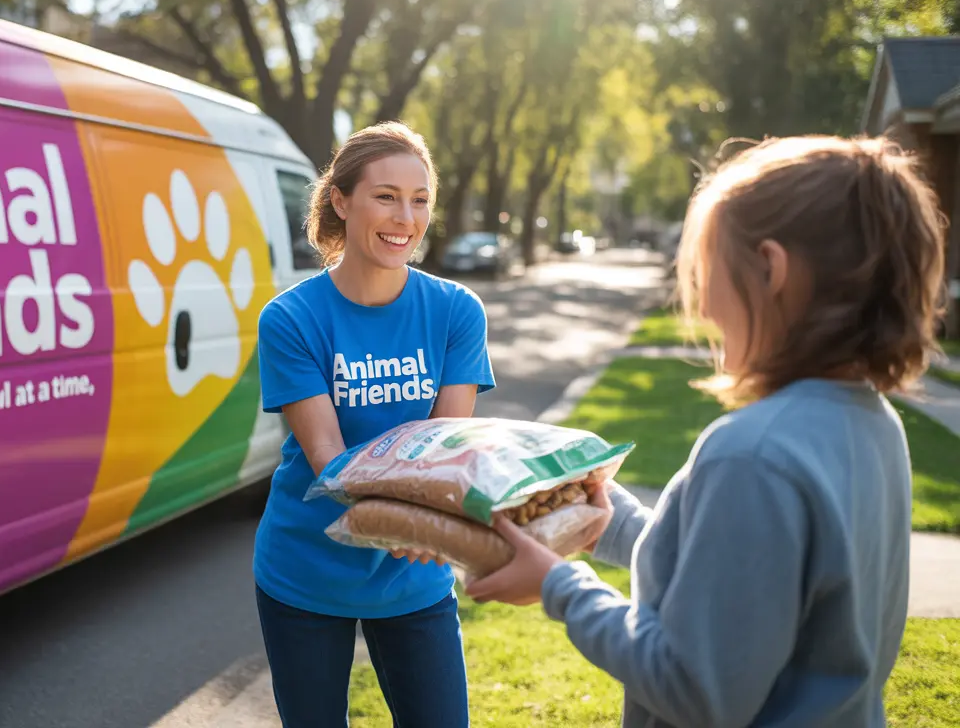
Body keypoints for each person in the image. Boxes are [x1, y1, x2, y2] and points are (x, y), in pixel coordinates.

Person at [466, 135, 949, 727]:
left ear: (770, 268)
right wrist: (608, 523)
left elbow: (695, 688)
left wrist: (558, 587)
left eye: (706, 272)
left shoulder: (750, 456)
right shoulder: (873, 423)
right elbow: (738, 592)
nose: (704, 309)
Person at [252, 121, 495, 727]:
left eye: (419, 200)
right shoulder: (290, 318)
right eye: (385, 196)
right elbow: (328, 457)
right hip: (306, 570)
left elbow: (446, 446)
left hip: (415, 570)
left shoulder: (456, 311)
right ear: (340, 200)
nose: (404, 218)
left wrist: (433, 519)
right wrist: (418, 512)